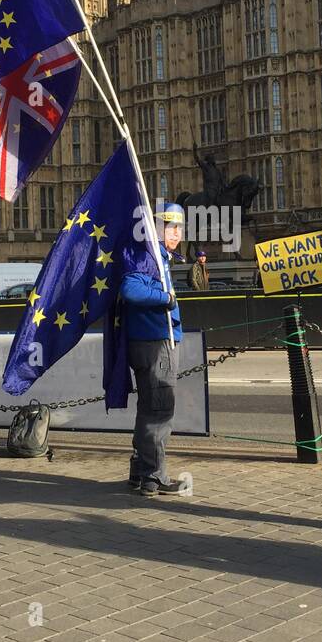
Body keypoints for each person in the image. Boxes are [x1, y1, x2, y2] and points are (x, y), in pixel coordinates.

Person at [121, 204, 187, 496]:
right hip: (155, 342)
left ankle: (140, 470)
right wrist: (166, 298)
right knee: (160, 412)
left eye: (180, 226)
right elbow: (130, 290)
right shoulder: (149, 256)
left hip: (149, 340)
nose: (177, 232)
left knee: (147, 409)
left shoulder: (157, 256)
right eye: (171, 226)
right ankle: (154, 477)